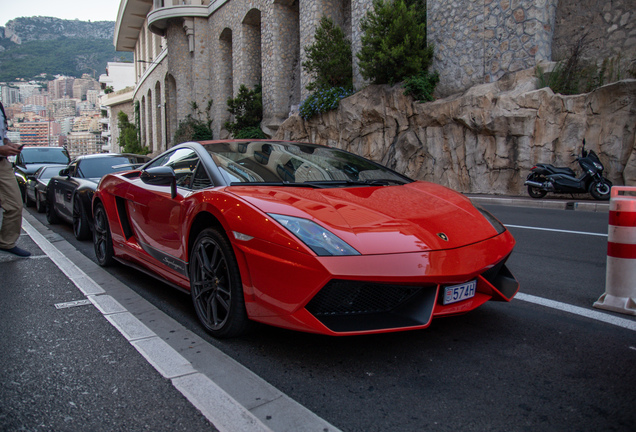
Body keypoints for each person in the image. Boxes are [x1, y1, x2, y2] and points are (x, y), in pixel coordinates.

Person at [0, 101, 31, 257]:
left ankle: (6, 242)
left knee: (15, 204)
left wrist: (9, 145)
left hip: (2, 163)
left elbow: (2, 136)